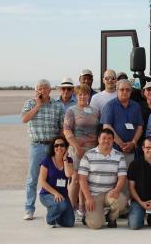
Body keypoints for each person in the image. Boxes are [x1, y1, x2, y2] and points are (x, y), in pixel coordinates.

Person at [22, 79, 64, 220]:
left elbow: (61, 127)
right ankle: (29, 209)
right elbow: (24, 119)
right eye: (39, 88)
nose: (41, 90)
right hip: (37, 145)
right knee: (33, 178)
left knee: (55, 177)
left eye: (44, 88)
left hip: (53, 147)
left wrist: (61, 146)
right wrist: (38, 106)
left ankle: (55, 206)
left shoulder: (57, 106)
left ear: (49, 90)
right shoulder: (30, 103)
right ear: (36, 90)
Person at [78, 128, 128, 229]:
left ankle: (111, 218)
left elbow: (122, 177)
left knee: (122, 200)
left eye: (110, 138)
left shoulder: (119, 156)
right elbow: (82, 179)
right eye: (104, 138)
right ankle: (88, 216)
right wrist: (88, 198)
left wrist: (117, 191)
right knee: (95, 225)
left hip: (109, 193)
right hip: (94, 195)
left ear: (113, 140)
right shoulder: (88, 155)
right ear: (98, 139)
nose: (107, 141)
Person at [63, 84, 100, 217]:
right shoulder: (71, 111)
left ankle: (82, 207)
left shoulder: (95, 111)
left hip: (92, 150)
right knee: (76, 179)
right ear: (76, 96)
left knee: (87, 179)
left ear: (89, 95)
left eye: (85, 94)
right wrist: (76, 147)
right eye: (80, 94)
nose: (83, 96)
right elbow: (67, 130)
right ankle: (70, 209)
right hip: (77, 150)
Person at [101, 79, 143, 167]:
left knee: (128, 176)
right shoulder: (109, 106)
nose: (125, 92)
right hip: (113, 149)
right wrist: (120, 143)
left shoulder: (136, 106)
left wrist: (133, 142)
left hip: (131, 149)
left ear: (131, 91)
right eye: (122, 89)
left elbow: (140, 127)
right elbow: (106, 126)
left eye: (128, 90)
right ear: (117, 90)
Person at [38, 137, 75, 228]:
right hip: (47, 194)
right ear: (53, 148)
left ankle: (55, 214)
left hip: (63, 195)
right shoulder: (47, 161)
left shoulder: (69, 160)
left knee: (69, 223)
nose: (59, 147)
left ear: (66, 147)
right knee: (61, 204)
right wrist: (55, 193)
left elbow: (68, 174)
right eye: (56, 145)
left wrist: (65, 159)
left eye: (62, 145)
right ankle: (50, 219)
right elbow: (42, 181)